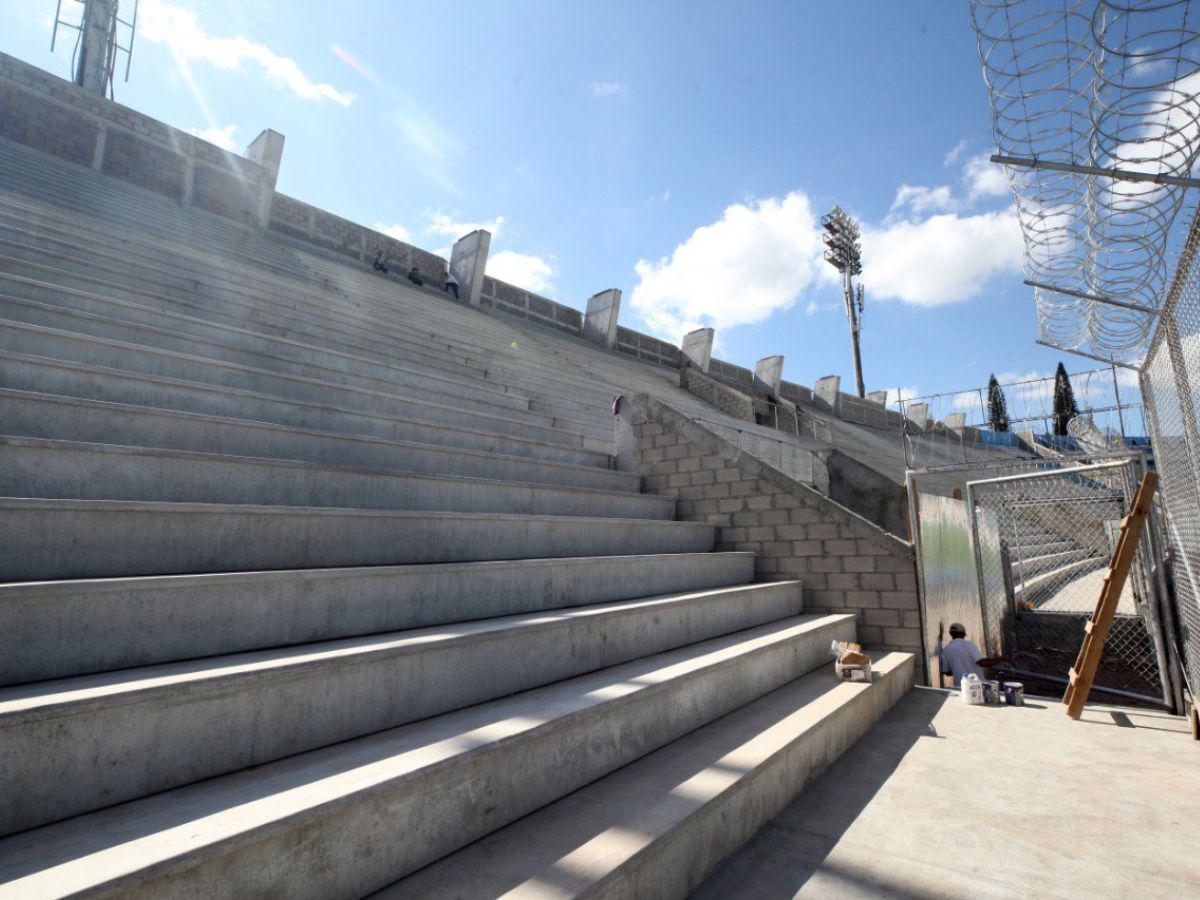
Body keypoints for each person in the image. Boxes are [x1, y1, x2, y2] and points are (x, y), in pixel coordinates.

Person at [937, 622, 1000, 687]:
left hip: (961, 687)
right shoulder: (969, 645)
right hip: (978, 685)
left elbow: (946, 672)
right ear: (963, 634)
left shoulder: (945, 651)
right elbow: (982, 663)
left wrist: (958, 670)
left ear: (951, 634)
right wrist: (1000, 659)